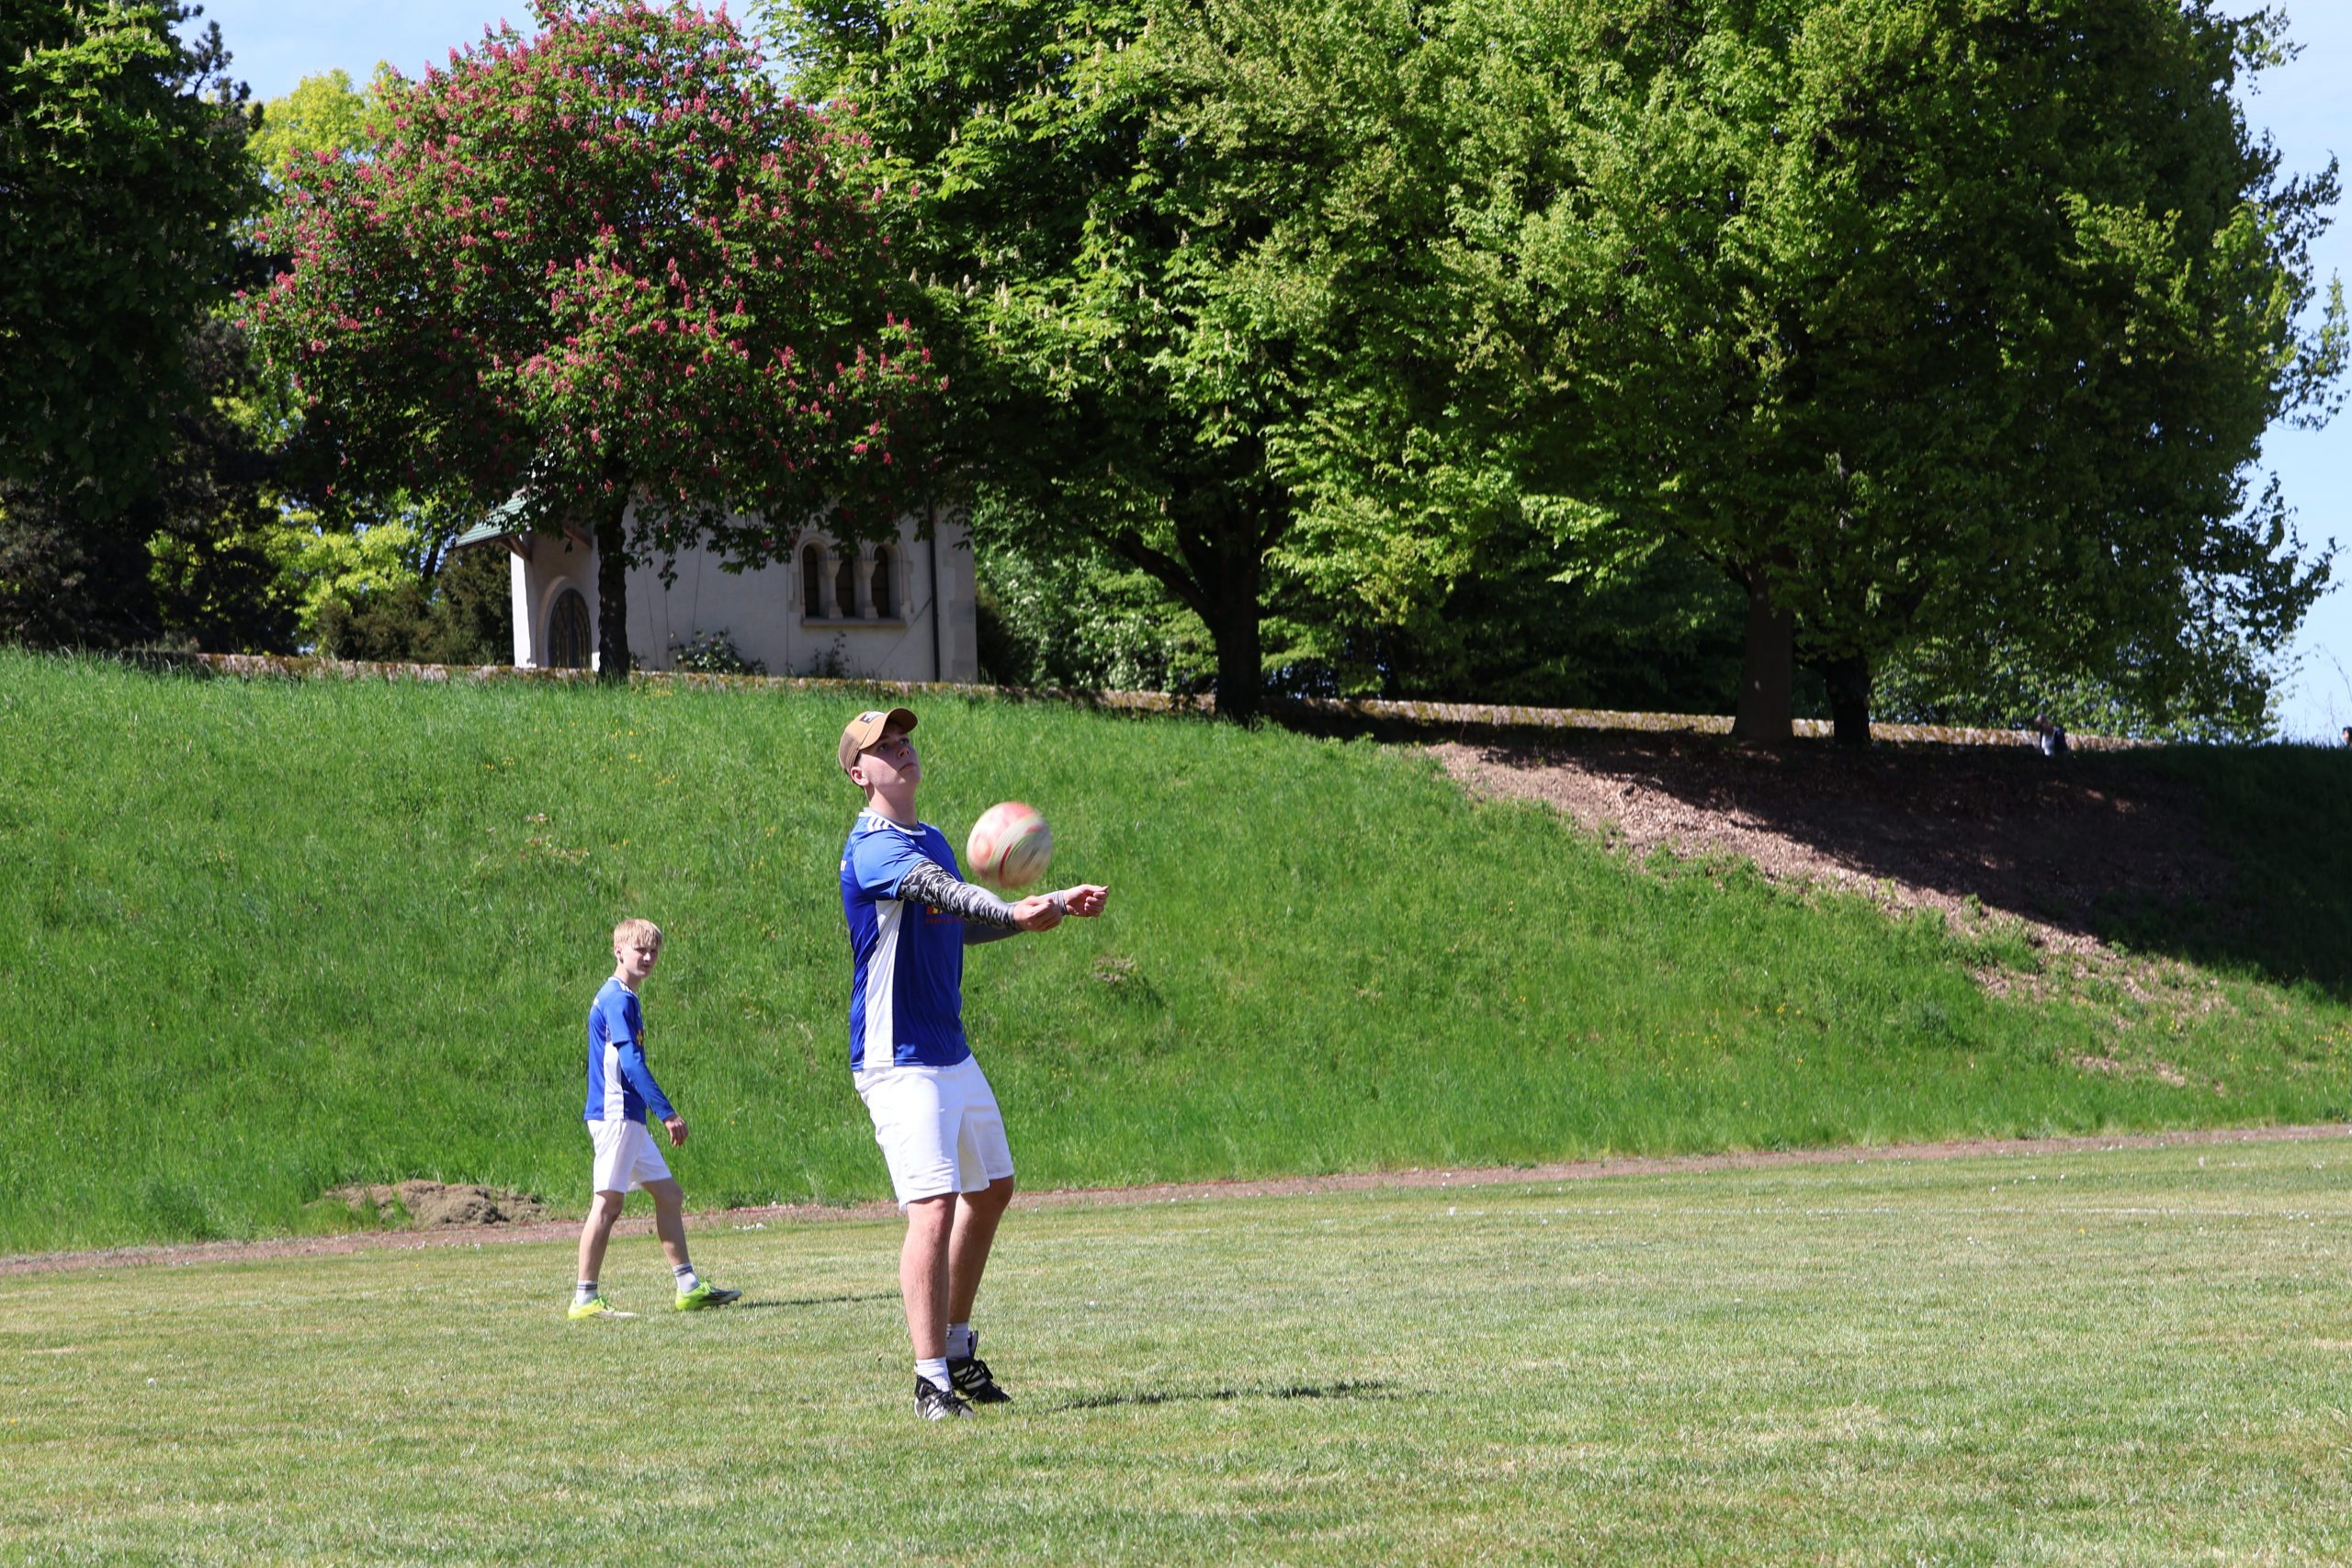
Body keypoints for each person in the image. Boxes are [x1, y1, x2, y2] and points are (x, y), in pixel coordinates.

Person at [837, 706, 1110, 1418]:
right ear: (859, 774)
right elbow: (944, 892)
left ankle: (957, 1348)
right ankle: (930, 1378)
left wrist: (1049, 904)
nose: (902, 749)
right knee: (931, 1207)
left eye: (904, 740)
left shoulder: (929, 838)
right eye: (884, 747)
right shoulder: (872, 847)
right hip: (898, 1056)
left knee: (990, 1188)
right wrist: (1013, 910)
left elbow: (955, 923)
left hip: (948, 1048)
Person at [570, 918, 741, 1319]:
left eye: (654, 951)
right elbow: (630, 1062)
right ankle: (584, 1298)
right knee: (607, 1204)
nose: (648, 957)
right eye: (639, 950)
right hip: (617, 1114)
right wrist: (667, 1113)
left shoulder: (624, 996)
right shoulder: (618, 999)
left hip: (629, 1117)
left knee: (669, 1195)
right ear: (618, 951)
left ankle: (689, 1288)